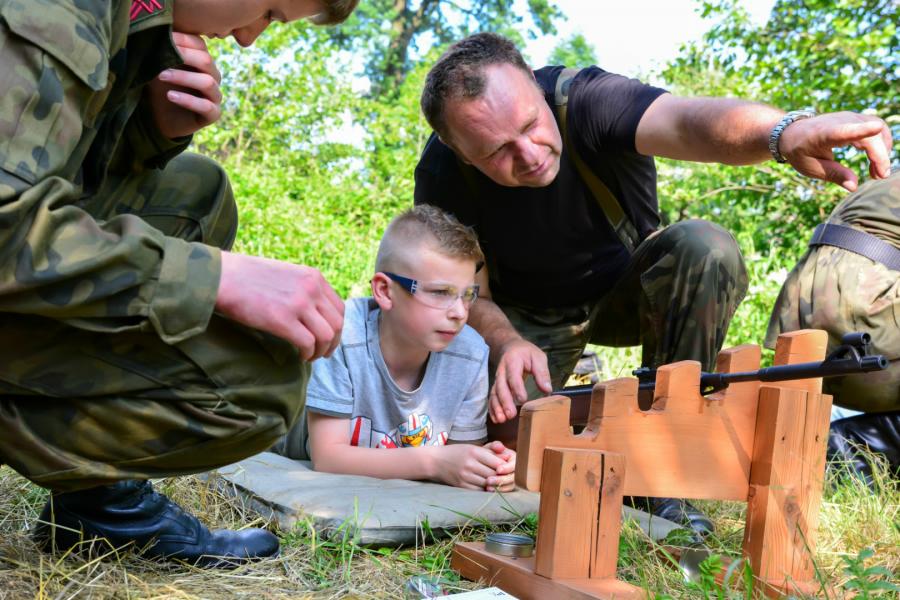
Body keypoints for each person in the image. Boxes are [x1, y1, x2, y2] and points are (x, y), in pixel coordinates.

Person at [412, 32, 894, 536]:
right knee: (507, 457)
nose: (529, 154)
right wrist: (508, 343)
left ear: (534, 85)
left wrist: (785, 132)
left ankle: (667, 461)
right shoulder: (442, 175)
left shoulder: (587, 99)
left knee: (705, 246)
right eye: (498, 151)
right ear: (460, 151)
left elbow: (687, 121)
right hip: (527, 320)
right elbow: (470, 293)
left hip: (630, 291)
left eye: (532, 125)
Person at [0, 0, 357, 567]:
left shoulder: (138, 19)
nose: (248, 38)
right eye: (269, 11)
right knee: (255, 387)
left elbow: (58, 177)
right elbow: (8, 224)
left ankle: (96, 507)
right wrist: (212, 278)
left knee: (197, 194)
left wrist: (150, 131)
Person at [273, 205, 517, 492]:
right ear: (385, 291)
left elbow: (459, 460)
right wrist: (434, 462)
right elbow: (327, 458)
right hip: (287, 456)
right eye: (441, 292)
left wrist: (489, 468)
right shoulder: (343, 335)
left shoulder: (470, 353)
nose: (460, 313)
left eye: (468, 295)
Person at [767, 170, 899, 486]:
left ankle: (833, 443)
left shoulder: (885, 181)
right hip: (867, 312)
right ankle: (853, 449)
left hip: (801, 331)